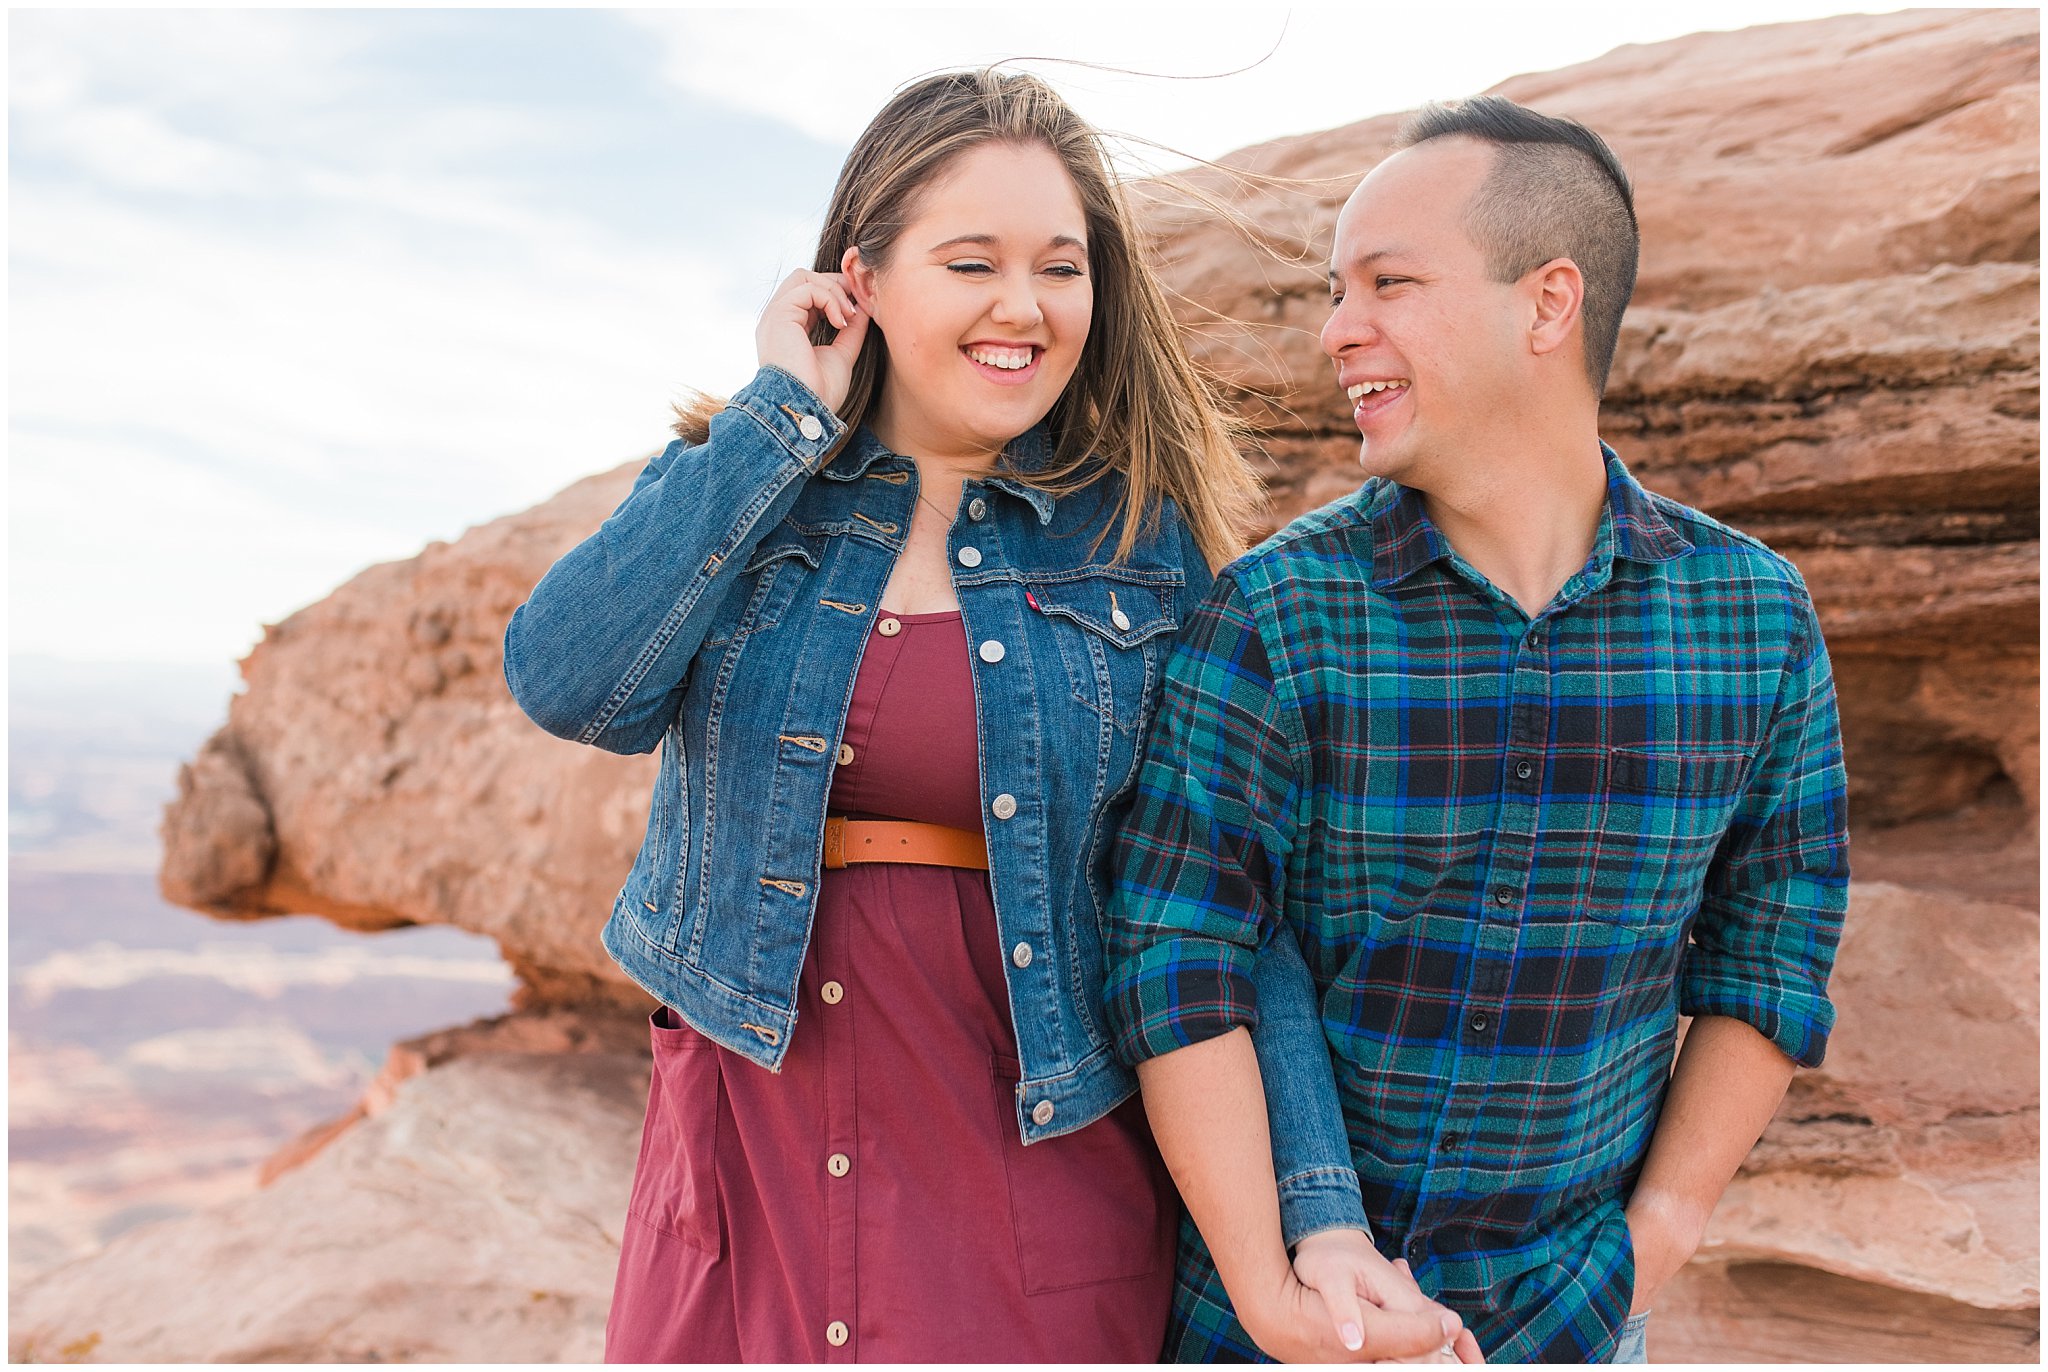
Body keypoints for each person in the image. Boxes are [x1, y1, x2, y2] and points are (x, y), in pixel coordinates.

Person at [502, 68, 1465, 1363]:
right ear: (862, 281)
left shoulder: (1143, 552)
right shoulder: (751, 500)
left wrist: (1319, 1222)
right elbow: (567, 680)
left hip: (1023, 1187)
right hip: (745, 1180)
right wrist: (780, 411)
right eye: (972, 263)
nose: (1025, 306)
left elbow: (1228, 918)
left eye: (1060, 268)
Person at [1105, 95, 1850, 1363]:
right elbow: (1177, 964)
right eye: (1336, 291)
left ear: (1547, 303)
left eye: (1387, 283)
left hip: (1570, 1317)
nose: (1340, 331)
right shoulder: (1275, 614)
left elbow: (1768, 959)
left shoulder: (1753, 618)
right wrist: (1278, 1298)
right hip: (1269, 1316)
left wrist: (1650, 1239)